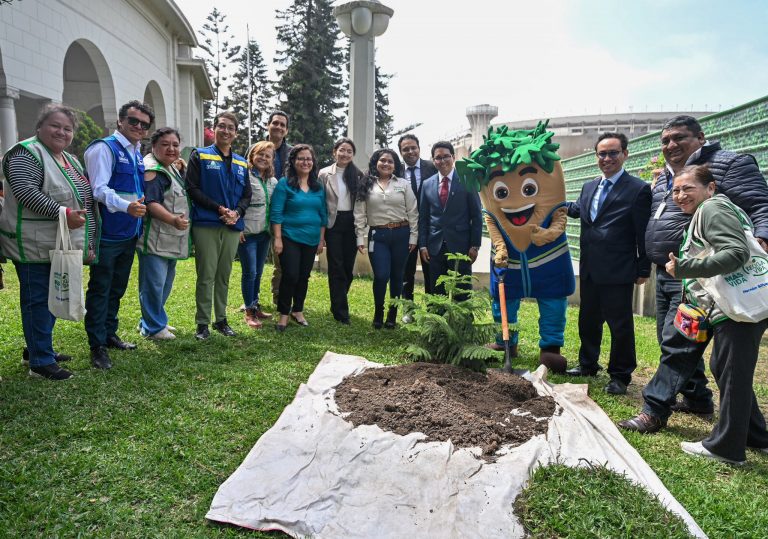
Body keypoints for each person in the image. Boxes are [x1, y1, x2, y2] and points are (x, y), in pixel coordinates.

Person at [620, 115, 768, 432]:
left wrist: (763, 240)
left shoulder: (728, 163)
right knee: (672, 338)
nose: (671, 145)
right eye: (665, 140)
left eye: (679, 138)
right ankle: (704, 400)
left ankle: (654, 408)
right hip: (668, 271)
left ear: (700, 138)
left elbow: (760, 204)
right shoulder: (665, 177)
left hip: (703, 275)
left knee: (680, 342)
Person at [663, 165, 768, 465]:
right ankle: (757, 435)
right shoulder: (709, 210)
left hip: (738, 306)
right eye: (676, 190)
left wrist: (685, 268)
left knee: (733, 371)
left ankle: (727, 447)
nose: (681, 195)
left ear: (710, 188)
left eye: (688, 188)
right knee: (723, 366)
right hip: (735, 306)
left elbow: (736, 253)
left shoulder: (712, 208)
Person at [0, 104, 98, 380]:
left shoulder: (70, 159)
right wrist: (64, 213)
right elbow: (25, 192)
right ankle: (40, 363)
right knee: (37, 300)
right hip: (34, 244)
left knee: (51, 297)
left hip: (58, 243)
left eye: (68, 129)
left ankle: (38, 349)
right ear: (40, 126)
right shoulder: (25, 153)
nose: (62, 132)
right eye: (55, 125)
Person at [565, 132, 652, 395]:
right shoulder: (590, 186)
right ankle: (587, 364)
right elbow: (582, 210)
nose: (607, 158)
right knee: (588, 320)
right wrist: (553, 204)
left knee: (620, 325)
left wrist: (643, 268)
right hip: (590, 267)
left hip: (618, 269)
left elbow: (643, 232)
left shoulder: (638, 189)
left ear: (625, 154)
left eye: (613, 153)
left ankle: (620, 375)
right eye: (602, 154)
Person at [84, 100, 152, 370]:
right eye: (133, 121)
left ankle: (109, 333)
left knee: (117, 287)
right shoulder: (104, 148)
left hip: (129, 232)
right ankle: (96, 345)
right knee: (101, 288)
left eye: (144, 125)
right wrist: (127, 206)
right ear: (120, 121)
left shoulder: (136, 151)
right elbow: (98, 189)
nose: (138, 127)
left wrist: (136, 202)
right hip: (108, 232)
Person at [186, 111, 252, 340]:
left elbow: (247, 194)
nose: (226, 131)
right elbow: (192, 188)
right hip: (207, 223)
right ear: (214, 128)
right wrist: (218, 209)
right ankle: (202, 323)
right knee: (206, 274)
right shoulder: (200, 156)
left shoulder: (242, 162)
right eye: (221, 126)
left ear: (236, 133)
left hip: (232, 226)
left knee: (224, 274)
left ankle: (221, 320)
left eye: (230, 128)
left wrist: (238, 213)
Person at [354, 148, 418, 329]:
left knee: (397, 276)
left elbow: (413, 211)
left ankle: (392, 314)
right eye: (382, 160)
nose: (386, 164)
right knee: (381, 276)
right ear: (376, 162)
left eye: (390, 161)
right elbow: (359, 213)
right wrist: (360, 238)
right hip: (378, 236)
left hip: (402, 234)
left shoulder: (403, 184)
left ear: (395, 165)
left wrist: (414, 236)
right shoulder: (366, 184)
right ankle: (378, 311)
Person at [136, 127, 190, 340]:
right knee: (154, 284)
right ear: (154, 146)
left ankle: (151, 321)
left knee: (164, 283)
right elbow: (151, 203)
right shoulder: (153, 170)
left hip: (168, 239)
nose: (171, 149)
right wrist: (173, 219)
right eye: (165, 144)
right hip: (155, 238)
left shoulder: (170, 168)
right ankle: (154, 327)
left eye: (175, 145)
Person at [270, 144, 327, 331]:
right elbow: (276, 212)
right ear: (293, 162)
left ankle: (298, 310)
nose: (305, 162)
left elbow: (323, 214)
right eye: (301, 158)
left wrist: (321, 239)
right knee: (291, 275)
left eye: (309, 159)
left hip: (311, 239)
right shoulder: (284, 184)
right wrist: (277, 238)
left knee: (304, 276)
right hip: (289, 237)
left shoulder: (318, 187)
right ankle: (284, 314)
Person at [418, 141, 482, 298]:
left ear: (453, 157)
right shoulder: (427, 184)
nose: (442, 161)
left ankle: (464, 322)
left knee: (462, 288)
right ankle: (436, 321)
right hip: (434, 246)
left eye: (446, 156)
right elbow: (424, 218)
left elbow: (476, 215)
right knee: (436, 290)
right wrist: (422, 245)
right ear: (433, 161)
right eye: (438, 158)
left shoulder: (466, 180)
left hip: (461, 245)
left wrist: (475, 245)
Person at [319, 137, 362, 325]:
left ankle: (338, 300)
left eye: (349, 151)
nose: (345, 154)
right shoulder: (324, 174)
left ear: (353, 155)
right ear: (334, 151)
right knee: (336, 267)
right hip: (333, 223)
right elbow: (320, 202)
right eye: (342, 150)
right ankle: (341, 312)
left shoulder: (358, 174)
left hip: (351, 223)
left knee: (347, 269)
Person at [398, 134, 438, 319]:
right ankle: (409, 309)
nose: (410, 151)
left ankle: (432, 309)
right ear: (401, 152)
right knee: (407, 270)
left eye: (413, 147)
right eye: (405, 149)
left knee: (431, 269)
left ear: (419, 148)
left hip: (430, 227)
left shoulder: (432, 167)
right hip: (405, 227)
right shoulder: (395, 170)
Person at [239, 141, 278, 329]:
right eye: (260, 154)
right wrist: (237, 228)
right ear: (252, 156)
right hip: (247, 233)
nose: (263, 158)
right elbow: (236, 202)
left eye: (267, 155)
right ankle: (249, 312)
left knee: (259, 272)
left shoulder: (273, 181)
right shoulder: (244, 176)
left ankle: (255, 304)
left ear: (272, 160)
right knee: (250, 272)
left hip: (264, 234)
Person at [266, 111, 292, 307]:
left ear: (286, 130)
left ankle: (278, 297)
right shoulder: (256, 149)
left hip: (282, 213)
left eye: (282, 125)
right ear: (268, 125)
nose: (279, 127)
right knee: (254, 262)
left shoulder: (292, 153)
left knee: (281, 260)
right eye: (275, 123)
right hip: (257, 211)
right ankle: (251, 301)